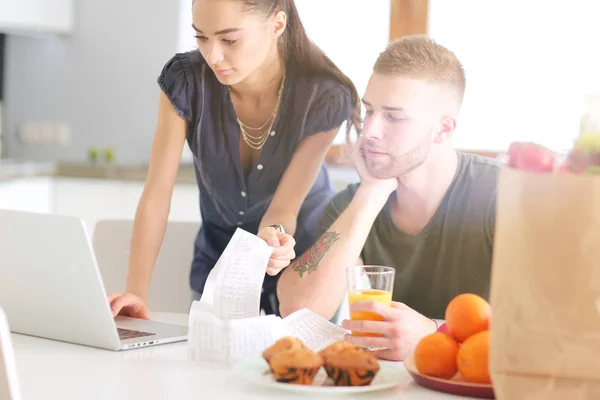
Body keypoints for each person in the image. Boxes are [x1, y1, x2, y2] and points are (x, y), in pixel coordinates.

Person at [108, 0, 361, 319]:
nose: (212, 55)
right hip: (219, 272)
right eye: (201, 37)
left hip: (303, 276)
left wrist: (276, 238)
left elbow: (285, 207)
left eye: (229, 40)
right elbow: (157, 195)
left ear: (277, 24)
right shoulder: (186, 81)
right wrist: (136, 293)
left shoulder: (323, 95)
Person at [276, 35, 499, 361]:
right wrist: (371, 192)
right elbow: (300, 311)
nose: (370, 132)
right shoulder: (352, 205)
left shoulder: (499, 194)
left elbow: (549, 325)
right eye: (369, 112)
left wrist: (434, 333)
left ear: (444, 129)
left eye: (393, 117)